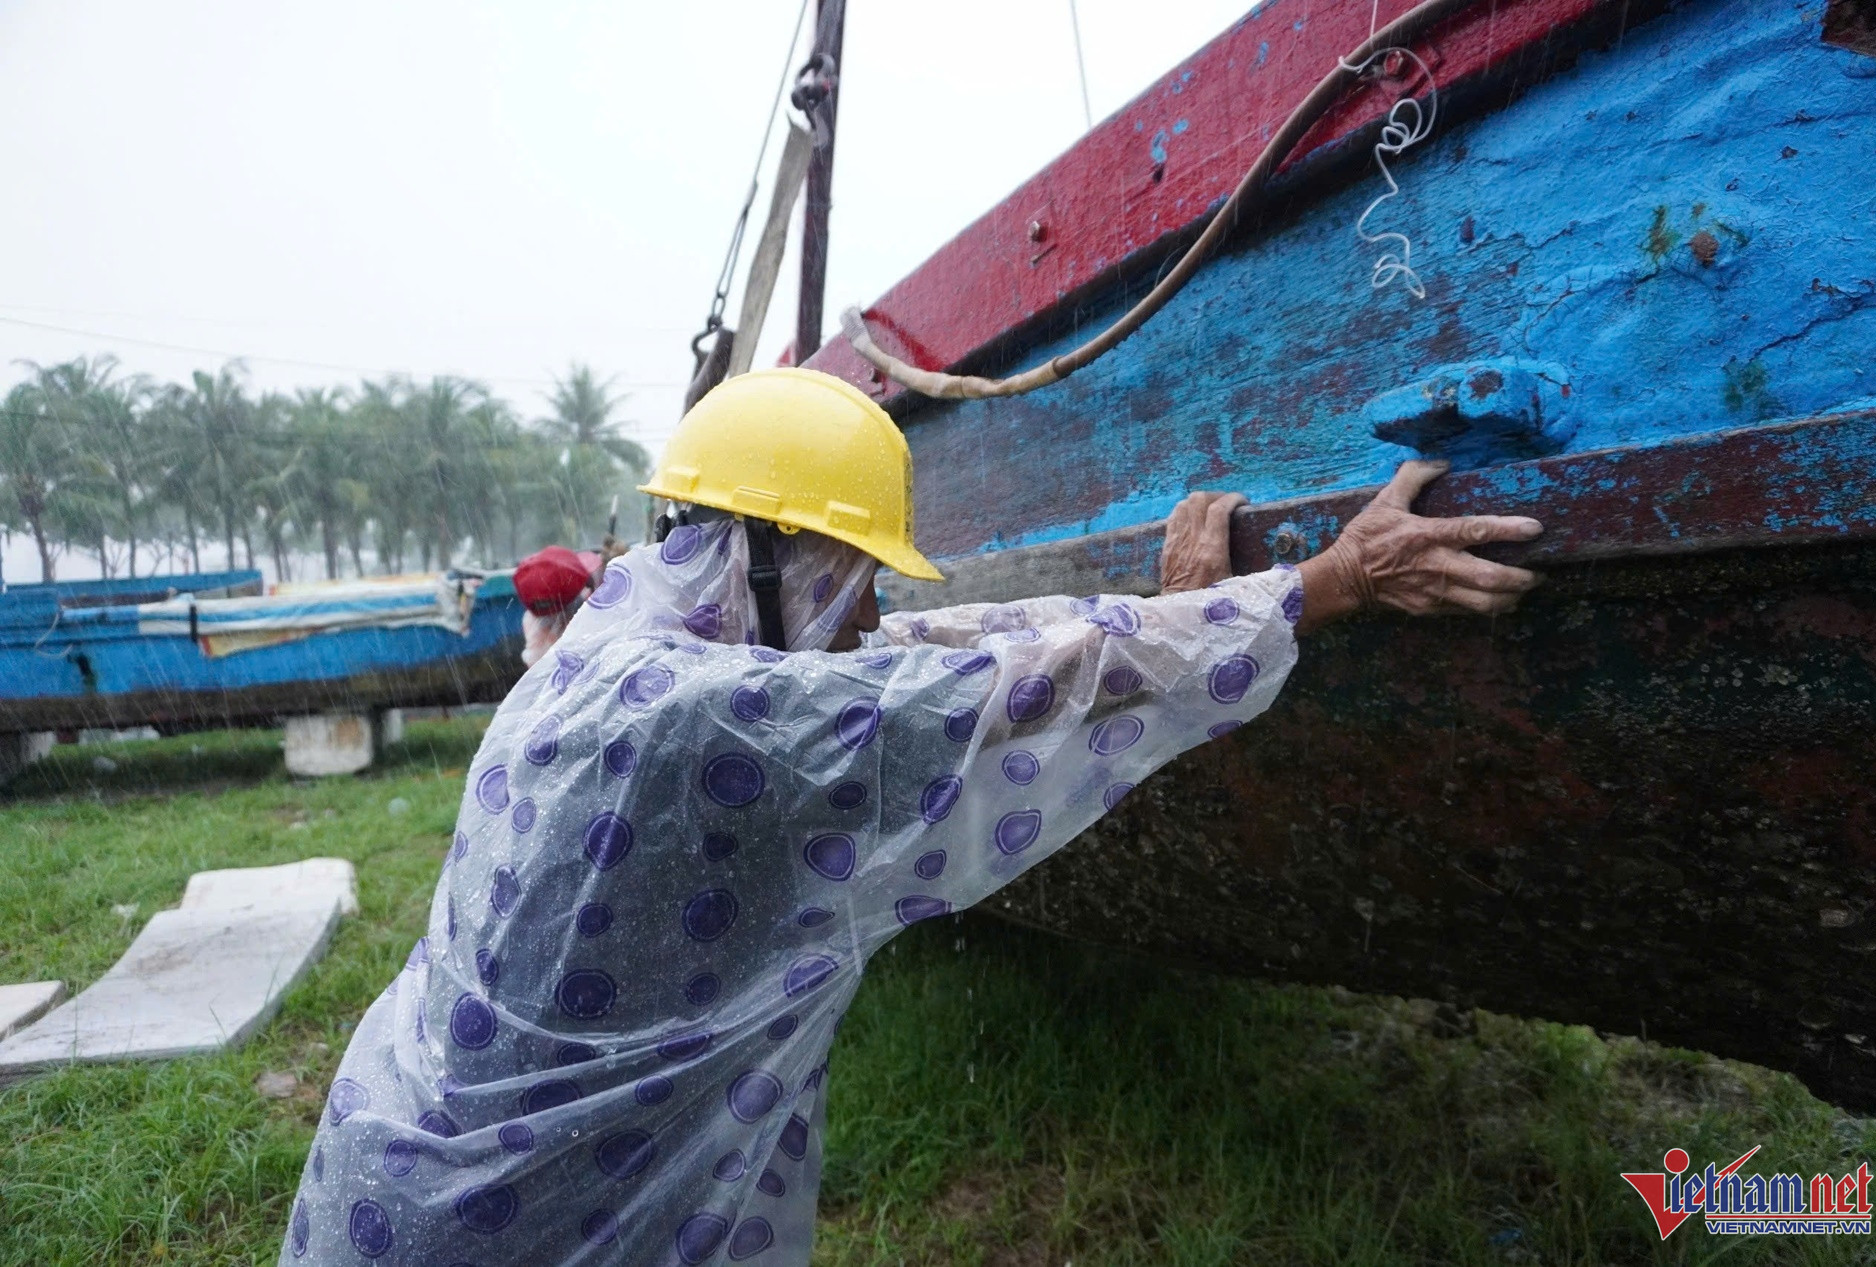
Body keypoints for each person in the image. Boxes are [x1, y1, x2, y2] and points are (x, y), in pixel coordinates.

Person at [280, 368, 1540, 1265]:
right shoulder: (700, 715)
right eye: (852, 573)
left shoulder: (611, 646)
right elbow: (942, 691)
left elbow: (917, 651)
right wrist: (1329, 580)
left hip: (400, 1166)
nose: (869, 607)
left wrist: (1163, 621)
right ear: (760, 555)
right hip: (507, 1223)